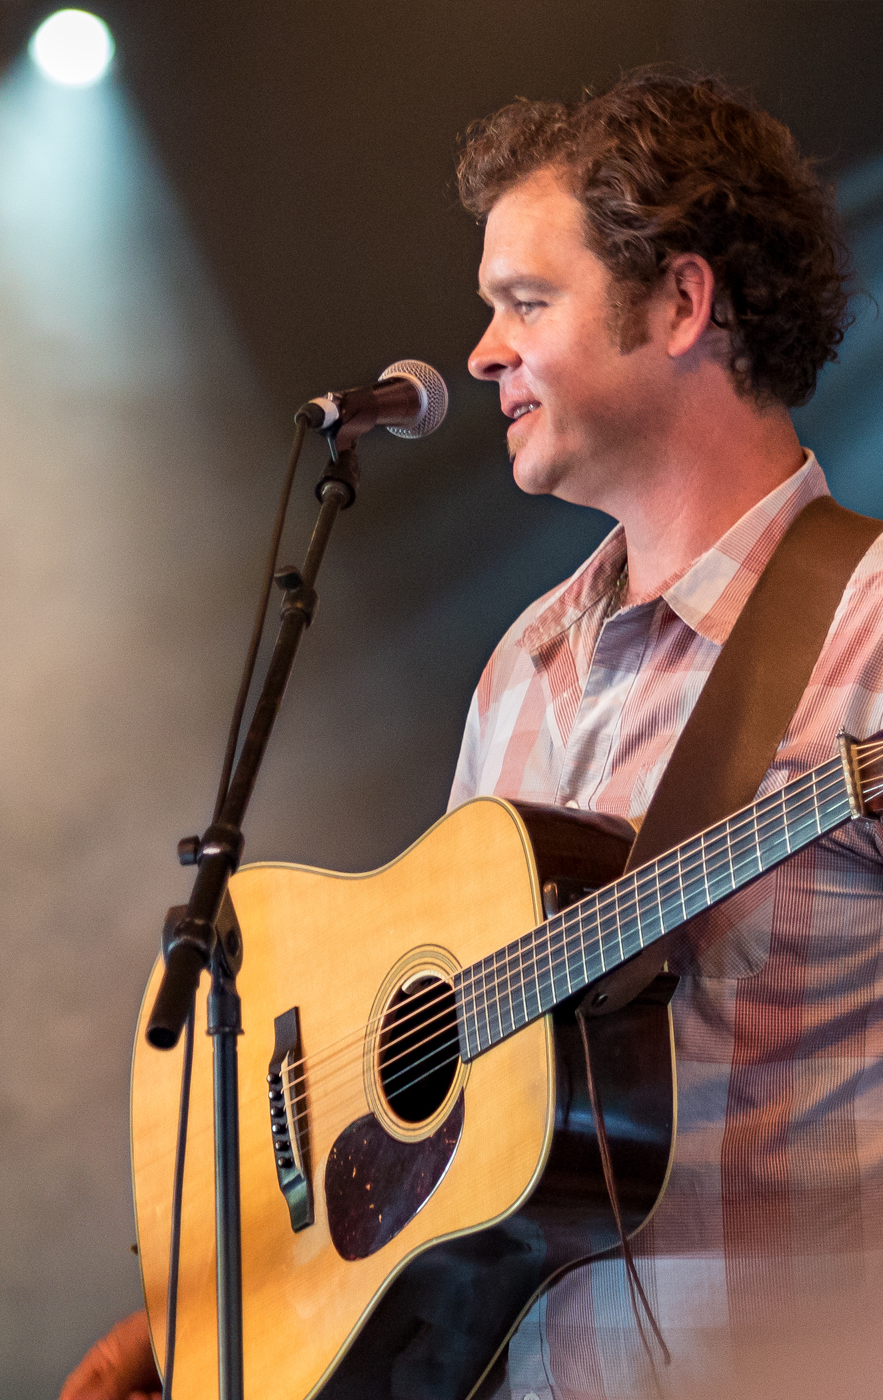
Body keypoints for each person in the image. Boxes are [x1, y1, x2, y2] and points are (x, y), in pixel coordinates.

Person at [61, 69, 871, 1400]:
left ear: (681, 301)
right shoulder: (524, 668)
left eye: (525, 303)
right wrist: (207, 1315)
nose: (483, 350)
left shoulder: (867, 630)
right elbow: (450, 1135)